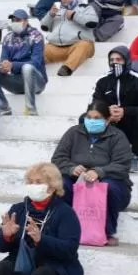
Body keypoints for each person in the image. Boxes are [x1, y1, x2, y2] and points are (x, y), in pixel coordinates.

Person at [52, 101, 133, 245]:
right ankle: (64, 229)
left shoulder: (117, 136)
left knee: (108, 187)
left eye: (97, 118)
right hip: (77, 181)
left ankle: (106, 232)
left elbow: (122, 164)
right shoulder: (74, 133)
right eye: (89, 117)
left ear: (108, 120)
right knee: (61, 186)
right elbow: (58, 158)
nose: (92, 121)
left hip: (112, 184)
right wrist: (72, 168)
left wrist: (100, 172)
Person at [92, 47, 138, 172]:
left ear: (127, 60)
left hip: (131, 127)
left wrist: (124, 111)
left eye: (119, 59)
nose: (115, 63)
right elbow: (92, 105)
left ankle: (134, 156)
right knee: (85, 118)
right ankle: (95, 155)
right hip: (109, 125)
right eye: (112, 60)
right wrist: (107, 111)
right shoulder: (102, 80)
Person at [0, 9, 46, 116]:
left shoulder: (36, 36)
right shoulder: (8, 37)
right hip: (16, 83)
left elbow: (36, 63)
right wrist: (2, 67)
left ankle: (31, 109)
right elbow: (3, 59)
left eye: (18, 19)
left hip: (36, 82)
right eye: (13, 20)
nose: (15, 22)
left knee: (27, 67)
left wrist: (13, 65)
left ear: (26, 21)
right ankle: (4, 107)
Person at [40, 0, 97, 76]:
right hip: (56, 47)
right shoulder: (56, 10)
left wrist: (74, 15)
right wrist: (50, 14)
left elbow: (92, 22)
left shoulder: (85, 7)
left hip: (77, 46)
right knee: (41, 49)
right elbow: (44, 27)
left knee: (84, 45)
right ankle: (32, 69)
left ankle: (67, 69)